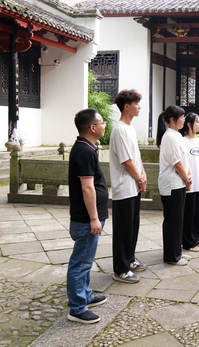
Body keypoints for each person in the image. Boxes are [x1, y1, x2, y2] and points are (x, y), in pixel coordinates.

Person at [66, 109, 109, 324]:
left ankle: (86, 295)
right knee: (81, 263)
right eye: (101, 122)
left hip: (88, 217)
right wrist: (94, 218)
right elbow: (87, 188)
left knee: (86, 260)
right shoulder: (84, 151)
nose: (104, 125)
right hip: (85, 219)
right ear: (92, 128)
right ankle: (77, 308)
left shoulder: (86, 147)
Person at [110, 90, 147, 284]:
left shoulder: (130, 129)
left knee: (133, 226)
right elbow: (126, 160)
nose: (139, 107)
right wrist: (139, 178)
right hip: (124, 186)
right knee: (123, 229)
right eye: (136, 103)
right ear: (126, 106)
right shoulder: (119, 130)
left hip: (134, 185)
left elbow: (136, 156)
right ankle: (120, 269)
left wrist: (143, 174)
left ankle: (130, 259)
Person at [157, 105, 193, 265]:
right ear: (172, 119)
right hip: (172, 184)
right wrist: (187, 179)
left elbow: (185, 160)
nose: (184, 120)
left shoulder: (177, 135)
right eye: (182, 117)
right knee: (172, 221)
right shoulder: (169, 137)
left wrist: (188, 177)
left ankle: (177, 251)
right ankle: (171, 256)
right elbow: (177, 163)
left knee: (178, 220)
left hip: (179, 182)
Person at [181, 113, 199, 252]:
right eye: (197, 122)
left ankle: (196, 240)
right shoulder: (183, 141)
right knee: (189, 214)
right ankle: (188, 242)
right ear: (189, 124)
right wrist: (186, 179)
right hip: (189, 183)